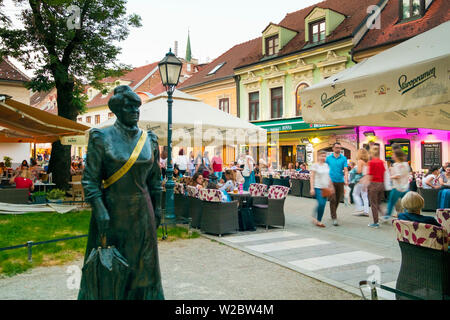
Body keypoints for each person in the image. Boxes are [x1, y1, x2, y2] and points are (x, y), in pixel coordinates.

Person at [79, 85, 164, 300]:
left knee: (144, 267)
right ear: (117, 110)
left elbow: (155, 180)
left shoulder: (149, 139)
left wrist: (159, 208)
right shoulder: (101, 137)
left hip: (143, 212)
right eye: (129, 107)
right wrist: (99, 209)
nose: (135, 111)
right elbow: (90, 180)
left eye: (137, 107)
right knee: (111, 267)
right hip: (112, 211)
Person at [381, 147, 410, 222]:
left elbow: (398, 175)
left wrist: (389, 177)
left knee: (391, 202)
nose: (392, 156)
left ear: (397, 156)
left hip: (397, 187)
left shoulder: (396, 164)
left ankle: (386, 217)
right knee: (406, 204)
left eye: (393, 154)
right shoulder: (406, 164)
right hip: (406, 187)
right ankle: (408, 217)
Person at [326, 142, 349, 226]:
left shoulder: (343, 158)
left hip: (340, 181)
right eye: (336, 147)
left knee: (338, 199)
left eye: (339, 148)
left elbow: (346, 170)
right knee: (332, 199)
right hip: (330, 181)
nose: (338, 149)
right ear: (333, 148)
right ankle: (334, 217)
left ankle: (333, 213)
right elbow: (325, 169)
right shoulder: (328, 158)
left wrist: (346, 179)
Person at [310, 151, 334, 228]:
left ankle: (318, 220)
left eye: (325, 156)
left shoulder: (326, 165)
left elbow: (328, 176)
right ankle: (317, 219)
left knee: (323, 205)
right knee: (321, 203)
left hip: (325, 188)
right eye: (322, 156)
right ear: (318, 157)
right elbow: (312, 177)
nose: (323, 158)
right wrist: (312, 188)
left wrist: (331, 186)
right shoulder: (315, 165)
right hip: (317, 187)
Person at [367, 146, 386, 228]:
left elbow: (370, 175)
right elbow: (384, 173)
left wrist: (367, 185)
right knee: (378, 203)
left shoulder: (371, 162)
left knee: (373, 204)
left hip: (374, 184)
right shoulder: (382, 162)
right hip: (381, 184)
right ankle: (385, 216)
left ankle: (376, 222)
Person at [352, 148, 370, 217]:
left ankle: (360, 208)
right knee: (365, 196)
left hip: (360, 180)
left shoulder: (360, 161)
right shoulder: (367, 162)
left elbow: (359, 171)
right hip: (366, 180)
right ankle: (366, 211)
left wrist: (354, 170)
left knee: (355, 194)